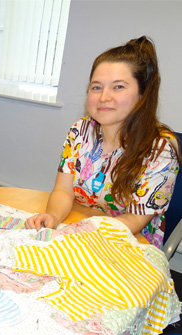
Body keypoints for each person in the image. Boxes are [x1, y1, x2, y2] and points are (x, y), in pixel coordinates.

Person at [26, 36, 181, 248]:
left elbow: (134, 220)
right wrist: (53, 217)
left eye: (118, 87)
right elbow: (64, 190)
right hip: (82, 227)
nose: (103, 97)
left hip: (131, 242)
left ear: (142, 95)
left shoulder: (160, 150)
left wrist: (84, 236)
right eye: (96, 87)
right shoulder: (79, 131)